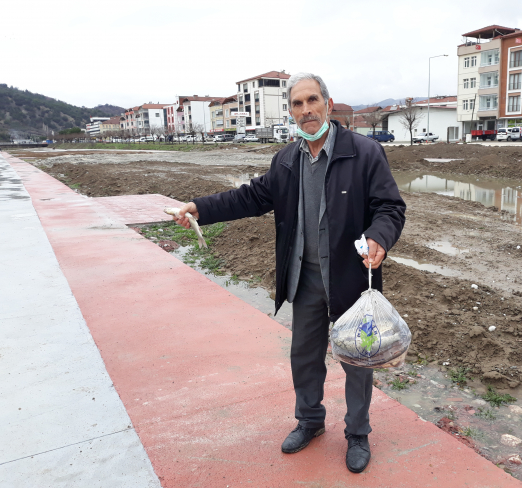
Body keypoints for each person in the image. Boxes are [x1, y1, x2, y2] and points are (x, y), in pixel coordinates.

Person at [173, 72, 406, 473]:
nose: (306, 110)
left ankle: (357, 433)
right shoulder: (286, 160)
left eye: (312, 100)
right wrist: (201, 207)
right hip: (305, 278)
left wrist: (379, 238)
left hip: (349, 278)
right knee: (303, 356)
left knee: (356, 359)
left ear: (328, 105)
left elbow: (390, 207)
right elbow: (251, 196)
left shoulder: (364, 153)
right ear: (292, 112)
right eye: (297, 104)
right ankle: (310, 421)